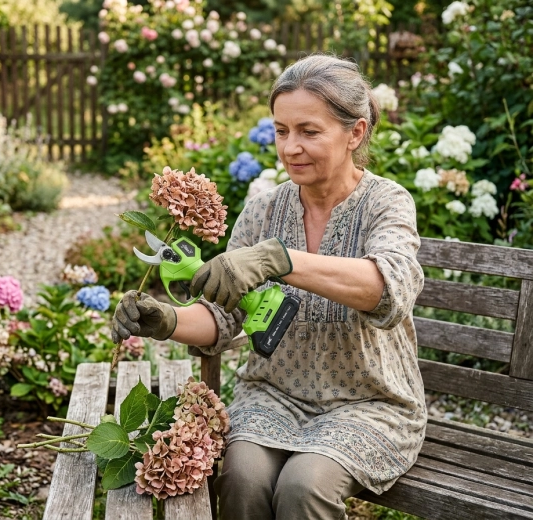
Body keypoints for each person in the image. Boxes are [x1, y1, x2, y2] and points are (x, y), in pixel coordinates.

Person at [111, 53, 427, 520]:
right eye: (282, 131)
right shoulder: (263, 210)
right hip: (275, 395)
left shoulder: (385, 203)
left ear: (355, 133)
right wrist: (166, 320)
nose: (290, 147)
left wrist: (279, 260)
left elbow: (389, 289)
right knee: (243, 478)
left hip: (370, 403)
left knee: (303, 487)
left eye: (309, 131)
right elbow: (224, 317)